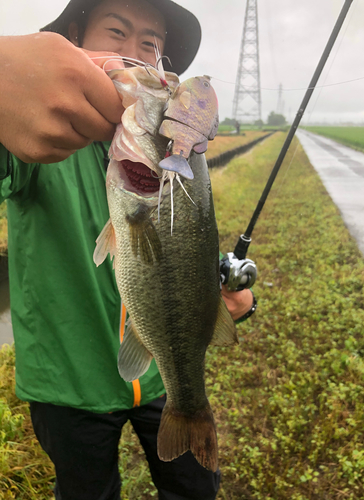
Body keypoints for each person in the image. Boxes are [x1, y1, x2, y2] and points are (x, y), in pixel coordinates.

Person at [0, 1, 256, 499]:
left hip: (162, 372)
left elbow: (185, 234)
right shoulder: (28, 140)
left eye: (150, 46)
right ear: (73, 39)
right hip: (67, 382)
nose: (135, 55)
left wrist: (214, 297)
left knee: (194, 488)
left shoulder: (174, 152)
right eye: (116, 31)